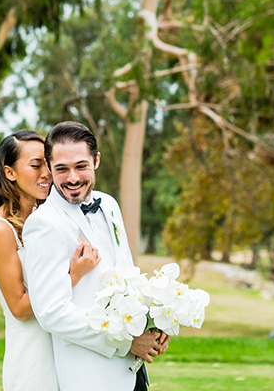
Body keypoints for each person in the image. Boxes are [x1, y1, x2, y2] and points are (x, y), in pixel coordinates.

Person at [24, 121, 169, 391]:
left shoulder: (110, 205)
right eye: (61, 169)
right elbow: (51, 312)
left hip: (133, 373)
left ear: (96, 160)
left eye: (81, 166)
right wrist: (125, 342)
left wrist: (155, 322)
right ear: (49, 166)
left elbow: (127, 275)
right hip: (90, 376)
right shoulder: (43, 223)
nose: (73, 178)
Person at [0, 129, 102, 391]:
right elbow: (19, 308)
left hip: (63, 349)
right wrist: (73, 275)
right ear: (9, 172)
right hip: (33, 356)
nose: (46, 172)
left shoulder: (44, 219)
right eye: (35, 165)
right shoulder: (0, 229)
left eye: (47, 163)